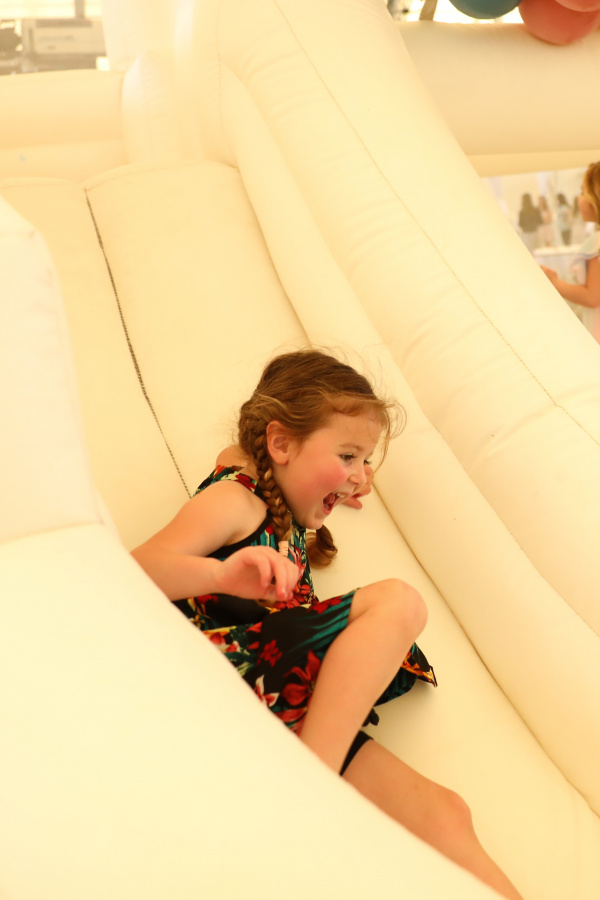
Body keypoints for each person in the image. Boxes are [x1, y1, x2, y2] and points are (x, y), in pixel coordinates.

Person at [132, 348, 524, 900]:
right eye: (348, 455)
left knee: (445, 813)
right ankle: (310, 794)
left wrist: (335, 478)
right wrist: (220, 575)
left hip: (283, 706)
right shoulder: (236, 499)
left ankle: (311, 785)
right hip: (225, 679)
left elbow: (259, 451)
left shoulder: (272, 489)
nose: (362, 476)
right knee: (399, 603)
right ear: (279, 444)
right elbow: (132, 570)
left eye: (365, 461)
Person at [541, 162, 600, 341]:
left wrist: (554, 282)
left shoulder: (596, 243)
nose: (579, 198)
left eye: (583, 192)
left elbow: (592, 297)